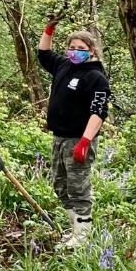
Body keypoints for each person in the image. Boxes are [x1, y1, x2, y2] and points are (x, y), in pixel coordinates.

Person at [37, 19, 112, 248]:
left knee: (78, 187)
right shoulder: (64, 66)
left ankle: (83, 235)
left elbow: (98, 111)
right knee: (59, 184)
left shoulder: (96, 77)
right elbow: (43, 54)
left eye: (81, 49)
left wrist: (85, 141)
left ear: (91, 51)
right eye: (72, 47)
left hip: (79, 140)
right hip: (59, 138)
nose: (75, 52)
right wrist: (48, 30)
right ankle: (75, 229)